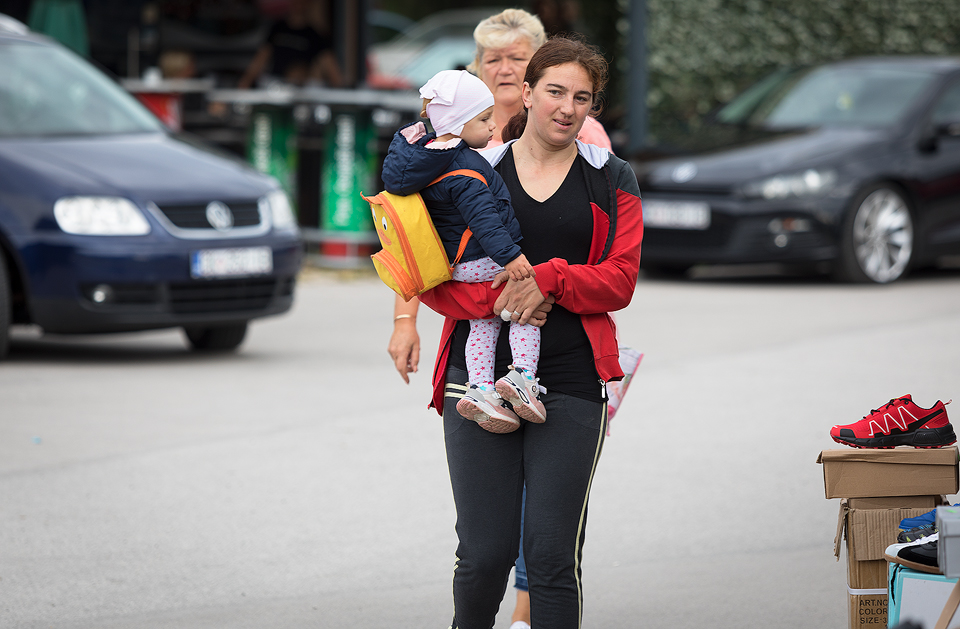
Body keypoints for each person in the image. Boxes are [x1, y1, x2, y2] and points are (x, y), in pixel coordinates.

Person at [385, 10, 618, 627]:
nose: (507, 71)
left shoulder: (600, 162)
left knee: (548, 555)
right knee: (483, 553)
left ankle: (526, 616)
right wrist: (409, 316)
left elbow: (615, 276)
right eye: (495, 62)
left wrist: (549, 281)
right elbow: (427, 260)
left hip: (567, 372)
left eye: (579, 97)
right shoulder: (469, 159)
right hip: (475, 365)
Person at [381, 69, 545, 433]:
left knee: (481, 324)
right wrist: (512, 258)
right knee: (522, 310)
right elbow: (485, 221)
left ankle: (481, 390)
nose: (492, 126)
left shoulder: (426, 160)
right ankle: (522, 376)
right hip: (485, 257)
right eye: (484, 119)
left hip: (457, 263)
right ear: (456, 123)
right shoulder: (464, 168)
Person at [237, 0, 342, 89]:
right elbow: (261, 58)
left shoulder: (315, 35)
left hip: (302, 87)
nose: (299, 3)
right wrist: (245, 83)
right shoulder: (278, 28)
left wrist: (340, 91)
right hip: (276, 84)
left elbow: (330, 67)